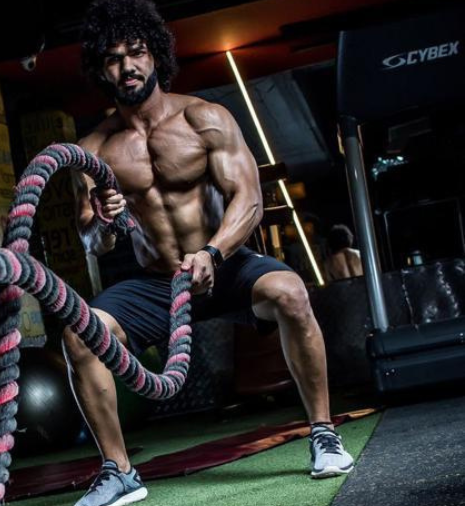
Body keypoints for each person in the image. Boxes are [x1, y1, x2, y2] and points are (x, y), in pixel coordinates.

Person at [61, 1, 355, 505]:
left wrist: (214, 253)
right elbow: (91, 240)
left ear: (155, 56)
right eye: (113, 58)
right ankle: (119, 471)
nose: (127, 66)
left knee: (289, 291)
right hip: (156, 282)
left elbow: (251, 199)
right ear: (100, 69)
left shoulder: (204, 118)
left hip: (226, 266)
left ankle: (323, 434)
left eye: (136, 52)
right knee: (79, 333)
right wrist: (104, 221)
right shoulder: (93, 150)